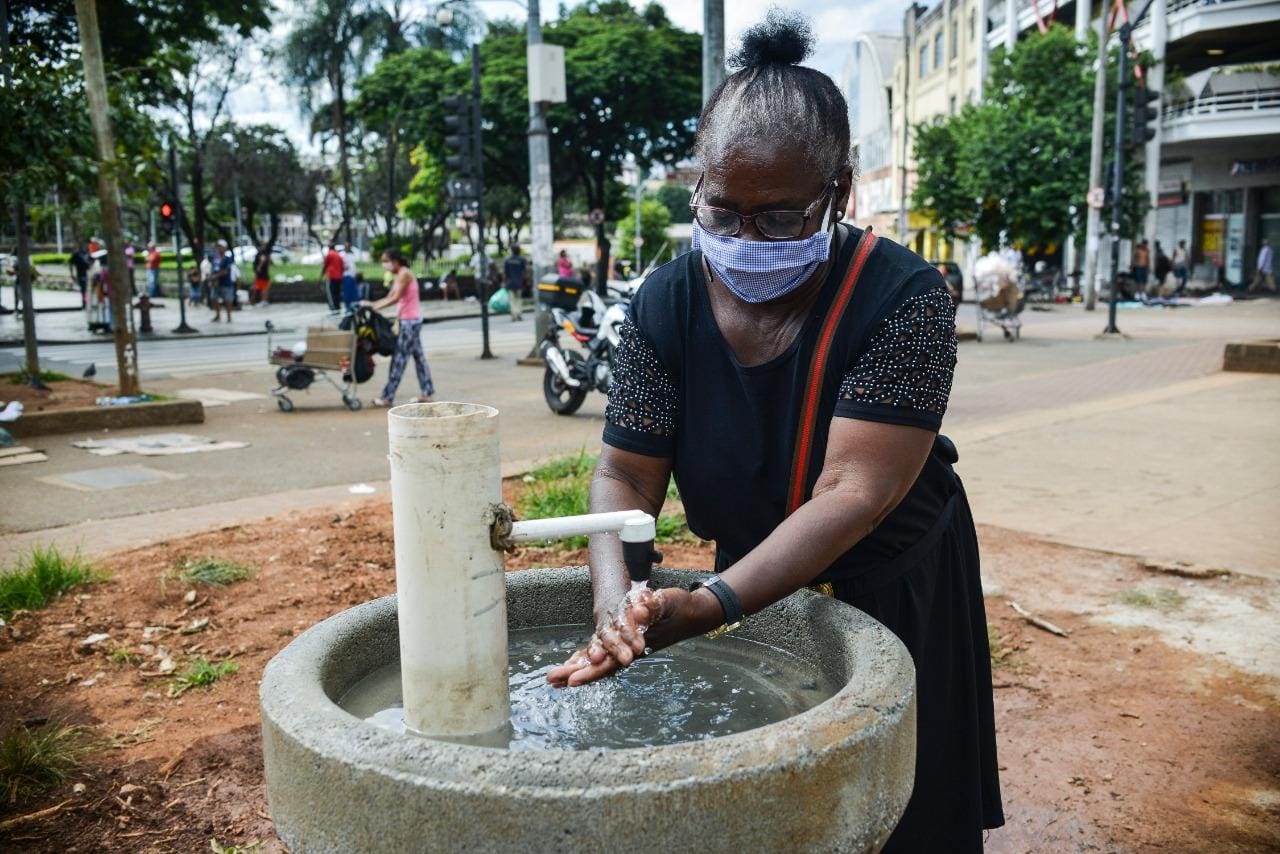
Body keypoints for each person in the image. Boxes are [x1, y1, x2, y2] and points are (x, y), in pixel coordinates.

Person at [544, 11, 1002, 851]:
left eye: (782, 218)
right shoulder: (665, 302)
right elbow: (626, 478)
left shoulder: (902, 299)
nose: (746, 239)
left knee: (900, 805)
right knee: (768, 805)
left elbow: (854, 493)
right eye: (722, 211)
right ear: (699, 188)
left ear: (842, 192)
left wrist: (715, 604)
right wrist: (617, 607)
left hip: (887, 579)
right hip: (753, 573)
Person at [361, 248, 433, 407]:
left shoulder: (404, 274)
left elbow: (395, 298)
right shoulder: (400, 275)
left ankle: (387, 396)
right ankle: (427, 392)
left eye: (386, 261)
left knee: (399, 359)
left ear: (395, 261)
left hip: (409, 322)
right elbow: (390, 297)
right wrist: (372, 305)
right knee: (419, 358)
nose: (384, 265)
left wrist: (374, 307)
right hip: (410, 321)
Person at [211, 240, 234, 322]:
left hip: (226, 283)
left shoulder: (228, 259)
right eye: (218, 247)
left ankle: (229, 316)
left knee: (228, 300)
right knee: (214, 298)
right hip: (216, 283)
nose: (219, 249)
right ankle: (218, 315)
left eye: (221, 247)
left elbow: (226, 271)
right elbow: (213, 269)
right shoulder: (215, 258)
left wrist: (216, 276)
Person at [503, 245, 526, 321]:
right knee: (518, 299)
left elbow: (505, 273)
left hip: (510, 282)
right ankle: (519, 313)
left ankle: (514, 314)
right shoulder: (521, 259)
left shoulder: (507, 260)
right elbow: (524, 271)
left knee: (512, 300)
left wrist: (504, 282)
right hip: (519, 282)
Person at [321, 242, 344, 314]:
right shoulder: (339, 255)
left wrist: (321, 276)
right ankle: (338, 307)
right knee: (337, 293)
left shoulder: (329, 254)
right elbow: (342, 267)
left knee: (331, 293)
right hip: (339, 277)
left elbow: (325, 266)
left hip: (332, 277)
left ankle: (333, 309)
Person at [340, 242, 360, 313]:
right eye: (346, 247)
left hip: (352, 276)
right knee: (347, 294)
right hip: (346, 276)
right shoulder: (342, 255)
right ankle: (348, 308)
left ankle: (355, 307)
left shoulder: (352, 255)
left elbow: (353, 266)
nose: (347, 248)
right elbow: (343, 266)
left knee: (354, 293)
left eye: (348, 247)